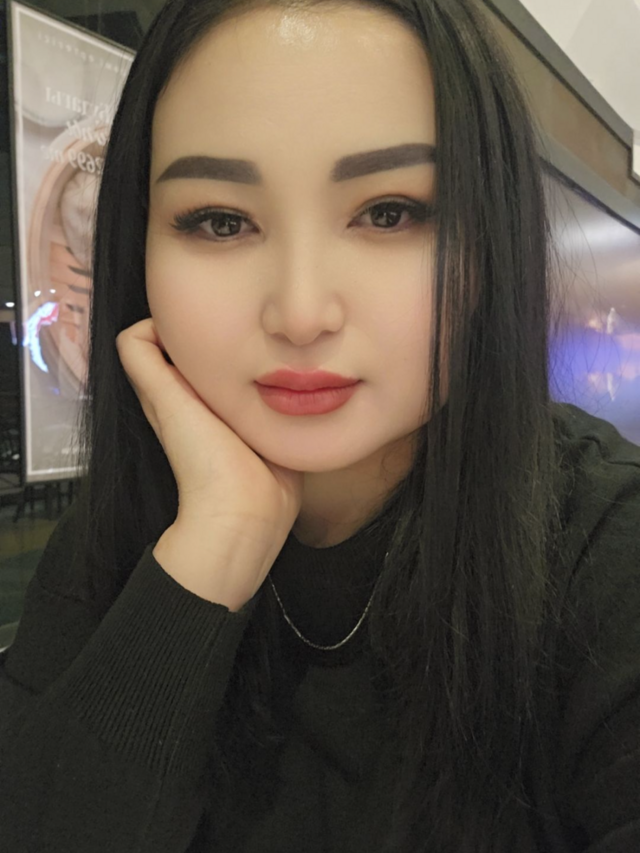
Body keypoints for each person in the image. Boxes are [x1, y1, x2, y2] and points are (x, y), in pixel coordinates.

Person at [1, 0, 639, 850]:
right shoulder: (114, 542)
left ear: (491, 237)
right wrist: (218, 542)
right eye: (221, 221)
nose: (301, 313)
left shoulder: (606, 552)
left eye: (389, 212)